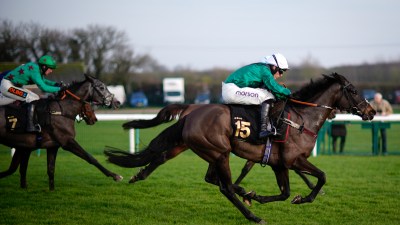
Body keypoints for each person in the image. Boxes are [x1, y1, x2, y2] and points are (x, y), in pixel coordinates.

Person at [221, 53, 291, 138]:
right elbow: (274, 86)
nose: (281, 75)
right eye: (281, 71)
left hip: (231, 89)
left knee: (266, 93)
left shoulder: (262, 68)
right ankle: (263, 129)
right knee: (268, 96)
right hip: (231, 90)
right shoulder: (265, 70)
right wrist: (289, 93)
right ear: (274, 67)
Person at [0, 55, 64, 132]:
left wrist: (55, 84)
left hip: (13, 86)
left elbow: (43, 81)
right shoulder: (35, 71)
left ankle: (26, 120)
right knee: (32, 98)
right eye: (50, 68)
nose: (51, 71)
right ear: (44, 67)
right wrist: (59, 89)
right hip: (8, 86)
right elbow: (44, 87)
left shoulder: (37, 69)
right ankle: (30, 126)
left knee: (35, 97)